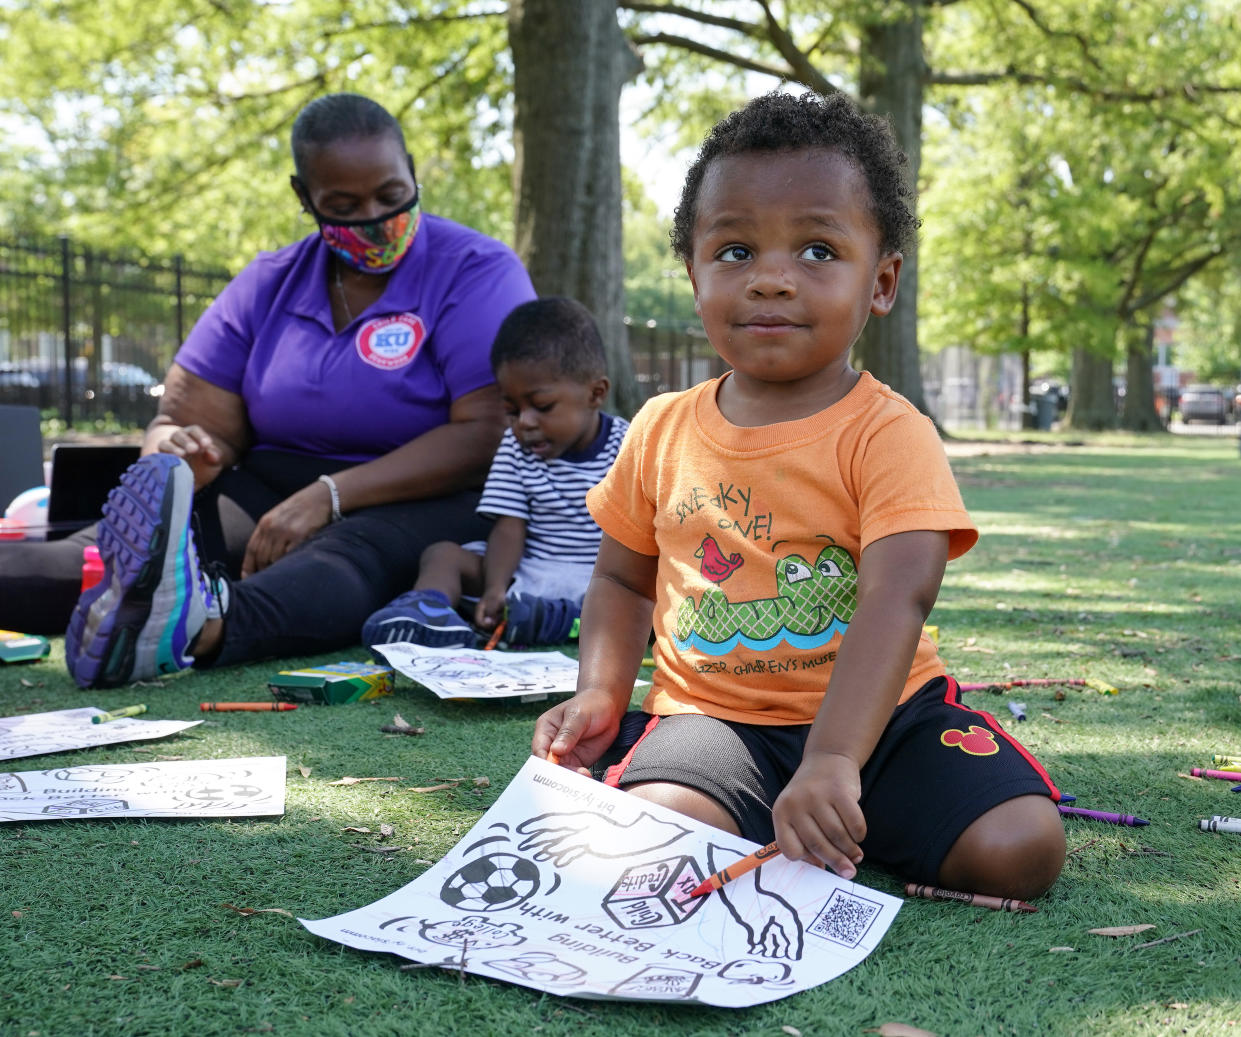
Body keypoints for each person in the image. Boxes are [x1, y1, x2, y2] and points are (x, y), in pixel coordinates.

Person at [532, 91, 1065, 900]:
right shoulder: (659, 427)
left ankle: (838, 807)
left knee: (1020, 848)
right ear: (693, 273)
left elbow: (897, 598)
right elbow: (618, 578)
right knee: (656, 842)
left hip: (884, 721)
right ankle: (807, 816)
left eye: (817, 251)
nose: (772, 280)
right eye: (736, 251)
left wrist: (831, 760)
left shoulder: (889, 432)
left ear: (880, 282)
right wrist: (601, 693)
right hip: (712, 722)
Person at [10, 92, 536, 687]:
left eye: (390, 196)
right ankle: (136, 592)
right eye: (344, 203)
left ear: (411, 171)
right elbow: (181, 420)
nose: (373, 216)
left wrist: (329, 495)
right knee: (93, 557)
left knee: (347, 557)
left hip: (431, 498)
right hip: (273, 485)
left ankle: (194, 628)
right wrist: (182, 451)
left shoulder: (477, 269)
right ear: (304, 197)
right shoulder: (268, 282)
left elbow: (488, 430)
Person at [362, 297, 629, 650]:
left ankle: (563, 621)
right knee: (443, 555)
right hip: (526, 573)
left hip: (596, 580)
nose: (525, 422)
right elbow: (509, 525)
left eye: (542, 406)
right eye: (512, 410)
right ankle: (426, 613)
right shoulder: (516, 446)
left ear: (596, 394)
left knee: (640, 595)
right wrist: (495, 589)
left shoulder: (629, 446)